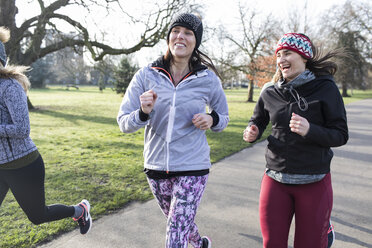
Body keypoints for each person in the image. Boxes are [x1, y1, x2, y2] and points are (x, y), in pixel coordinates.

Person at [117, 13, 229, 248]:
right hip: (156, 166)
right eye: (176, 30)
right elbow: (124, 122)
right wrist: (143, 112)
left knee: (176, 230)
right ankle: (200, 244)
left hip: (193, 166)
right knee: (178, 222)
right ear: (169, 36)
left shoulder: (207, 78)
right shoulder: (146, 75)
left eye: (188, 33)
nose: (181, 36)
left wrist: (211, 119)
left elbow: (223, 118)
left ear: (195, 41)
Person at [243, 33, 348, 248]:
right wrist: (252, 131)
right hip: (275, 179)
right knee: (272, 244)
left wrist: (310, 130)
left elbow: (340, 134)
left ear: (304, 56)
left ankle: (324, 232)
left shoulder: (326, 88)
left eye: (288, 53)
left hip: (314, 181)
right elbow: (258, 120)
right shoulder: (270, 92)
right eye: (279, 54)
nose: (281, 59)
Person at [0, 27, 91, 235]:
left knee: (38, 216)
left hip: (23, 165)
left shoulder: (10, 87)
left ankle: (80, 210)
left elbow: (22, 129)